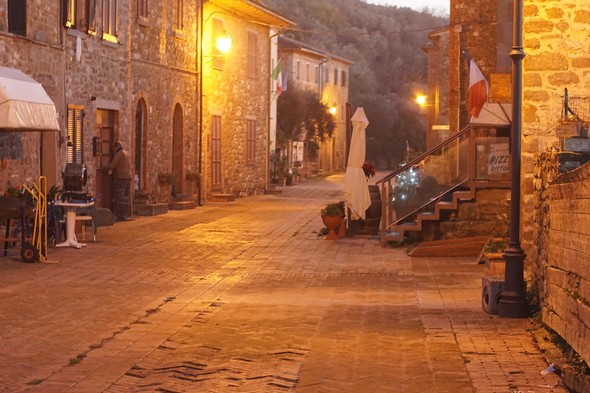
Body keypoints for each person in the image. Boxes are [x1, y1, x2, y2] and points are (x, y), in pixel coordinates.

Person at [107, 141, 132, 221]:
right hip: (128, 177)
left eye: (113, 148)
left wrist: (107, 166)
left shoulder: (119, 154)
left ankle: (118, 215)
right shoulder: (127, 153)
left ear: (116, 147)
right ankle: (125, 215)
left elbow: (112, 165)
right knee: (125, 197)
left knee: (119, 197)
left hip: (121, 177)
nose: (112, 150)